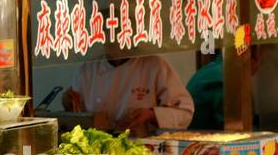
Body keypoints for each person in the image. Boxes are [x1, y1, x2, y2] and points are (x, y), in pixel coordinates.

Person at [63, 54, 193, 136]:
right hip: (98, 153)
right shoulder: (87, 70)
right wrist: (69, 104)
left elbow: (185, 111)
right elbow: (78, 117)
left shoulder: (154, 65)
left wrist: (151, 114)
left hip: (145, 150)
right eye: (108, 31)